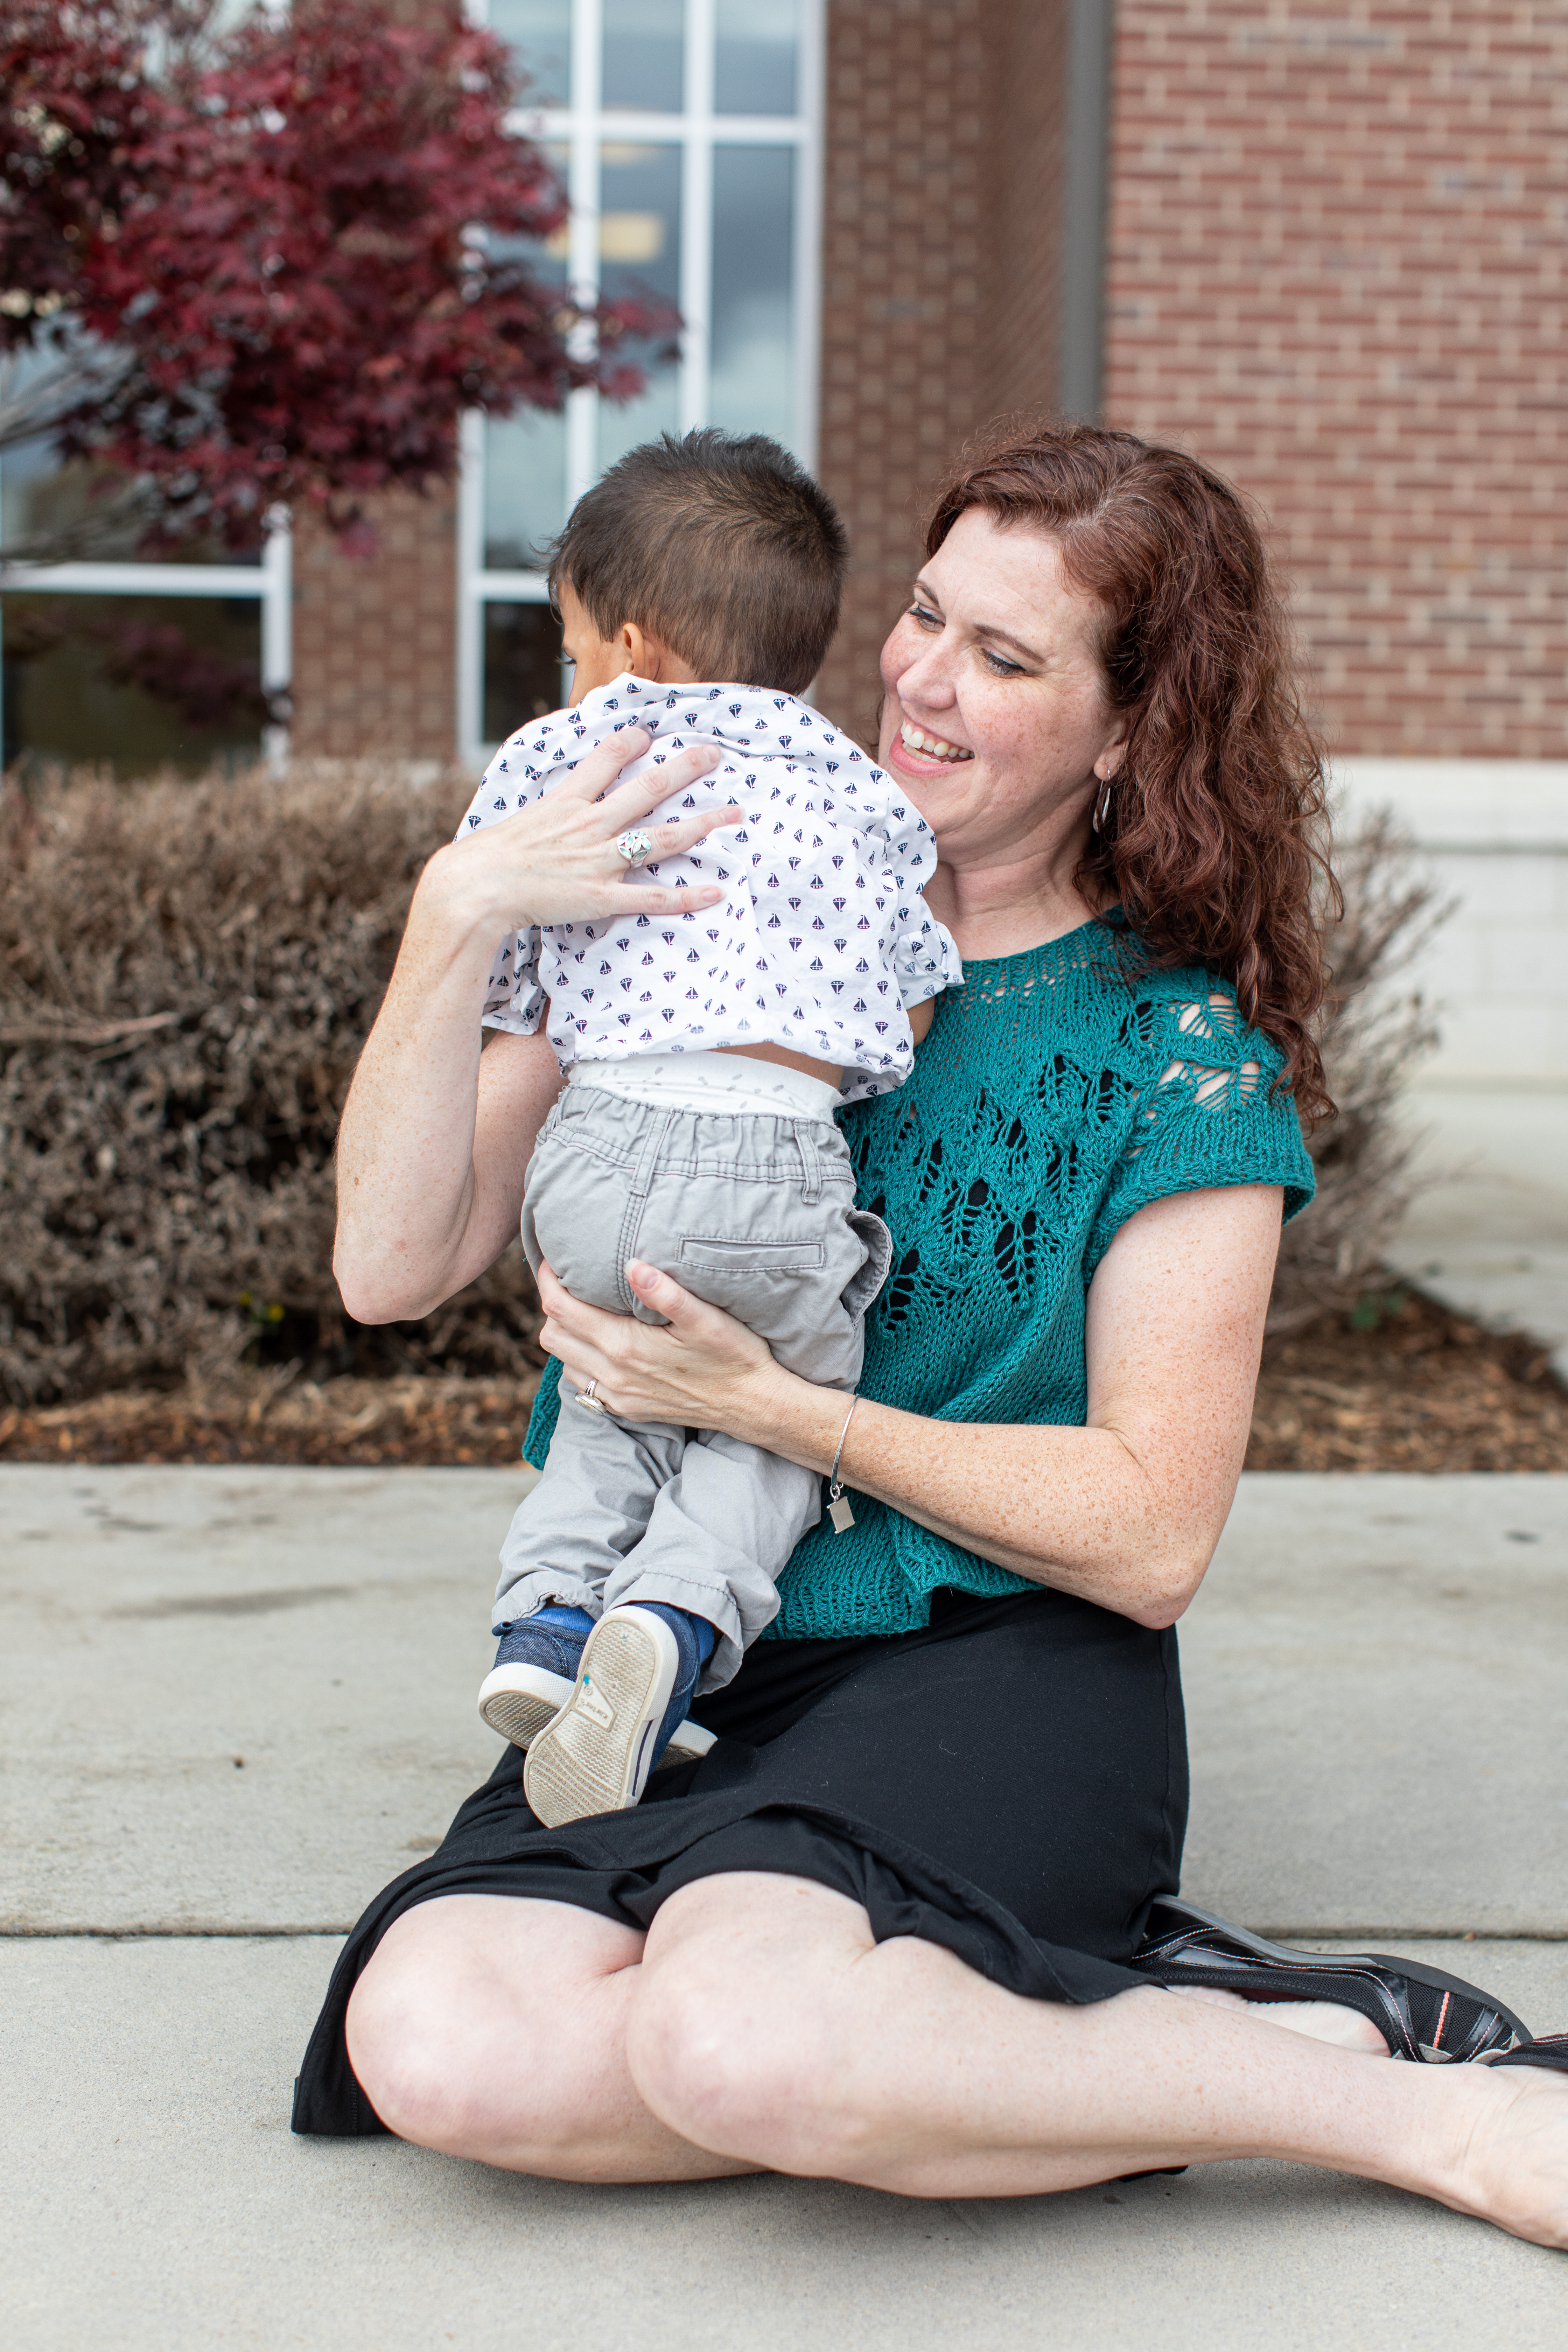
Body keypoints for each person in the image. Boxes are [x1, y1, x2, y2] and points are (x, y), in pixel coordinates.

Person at [299, 420, 1567, 2249]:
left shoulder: (1167, 1048)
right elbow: (390, 1269)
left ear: (1130, 732)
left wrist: (783, 1415)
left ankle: (1383, 2099)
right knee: (445, 2046)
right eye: (919, 614)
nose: (919, 677)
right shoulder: (678, 886)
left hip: (999, 1658)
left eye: (1006, 655)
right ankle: (994, 2046)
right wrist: (457, 920)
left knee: (738, 2034)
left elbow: (1151, 1537)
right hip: (695, 1653)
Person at [456, 430, 960, 1827]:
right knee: (777, 1422)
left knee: (613, 1395)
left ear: (628, 647)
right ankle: (668, 1627)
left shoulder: (561, 754)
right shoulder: (852, 787)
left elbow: (501, 955)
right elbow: (913, 990)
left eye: (570, 650)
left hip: (596, 1149)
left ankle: (547, 1624)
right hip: (776, 1163)